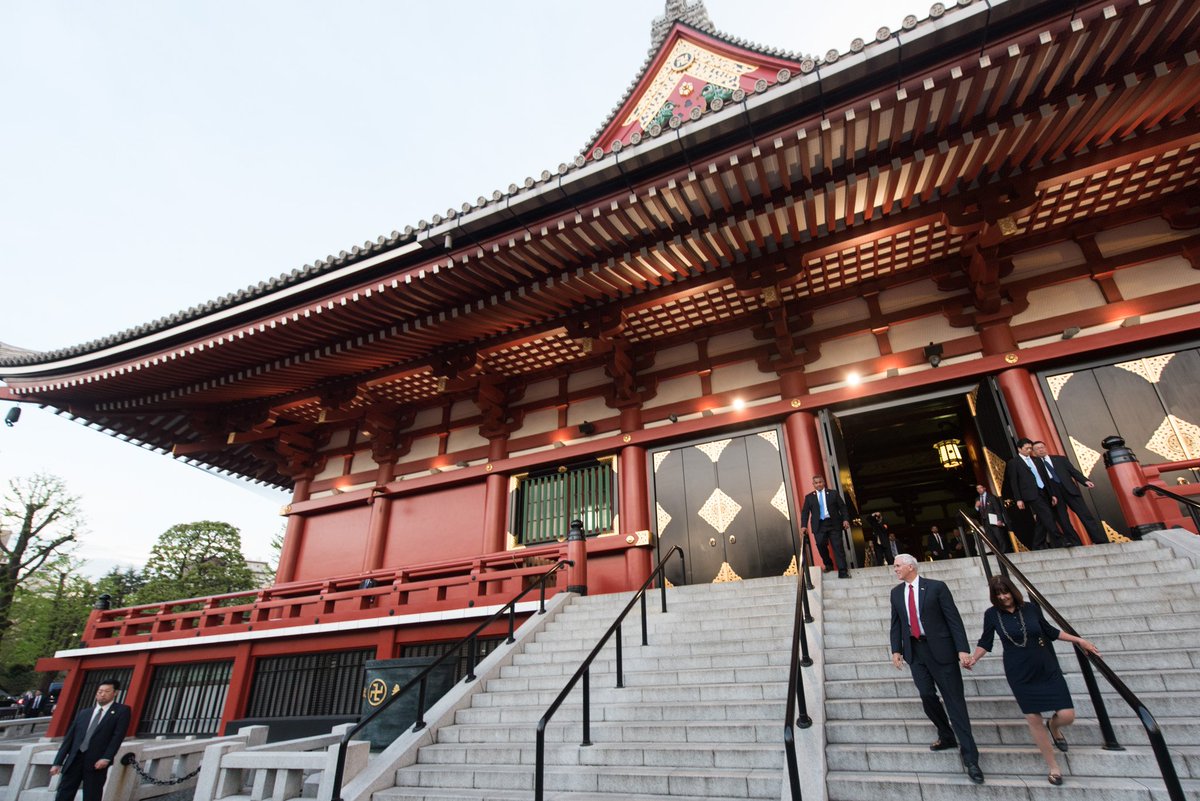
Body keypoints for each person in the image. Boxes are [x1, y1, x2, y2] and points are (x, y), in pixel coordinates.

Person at [966, 576, 1100, 786]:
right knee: (1033, 718)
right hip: (1019, 671)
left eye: (1005, 592)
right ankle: (1053, 767)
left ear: (1013, 591)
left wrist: (1079, 640)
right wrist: (974, 658)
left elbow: (1050, 631)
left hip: (1046, 666)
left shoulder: (1030, 608)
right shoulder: (991, 614)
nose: (1003, 597)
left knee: (1067, 715)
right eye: (998, 594)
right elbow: (986, 641)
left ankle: (1054, 726)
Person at [889, 554, 984, 784]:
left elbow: (953, 619)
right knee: (926, 695)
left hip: (941, 651)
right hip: (915, 652)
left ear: (910, 566)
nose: (895, 569)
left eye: (898, 566)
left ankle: (971, 758)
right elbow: (896, 623)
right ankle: (946, 734)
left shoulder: (936, 588)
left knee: (954, 702)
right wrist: (896, 650)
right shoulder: (896, 593)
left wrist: (962, 650)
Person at [50, 679, 131, 801]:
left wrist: (106, 757)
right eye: (100, 691)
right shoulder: (84, 713)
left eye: (107, 691)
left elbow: (117, 737)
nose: (102, 694)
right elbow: (69, 739)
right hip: (75, 759)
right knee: (64, 793)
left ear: (115, 693)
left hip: (96, 760)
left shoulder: (122, 711)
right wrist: (57, 762)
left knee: (92, 794)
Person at [1032, 441, 1108, 545]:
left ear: (1045, 448)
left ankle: (1098, 539)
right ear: (1034, 452)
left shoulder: (1060, 459)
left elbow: (1073, 471)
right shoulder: (1035, 465)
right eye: (1037, 449)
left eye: (1042, 447)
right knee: (1063, 520)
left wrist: (1085, 481)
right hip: (1054, 493)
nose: (1040, 450)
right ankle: (1075, 542)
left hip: (1069, 489)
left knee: (1085, 515)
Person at [1003, 438, 1061, 550]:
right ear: (1019, 449)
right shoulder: (1013, 463)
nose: (1029, 450)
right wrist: (1018, 499)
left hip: (1043, 491)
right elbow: (1014, 482)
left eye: (1030, 448)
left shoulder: (1037, 460)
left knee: (1041, 519)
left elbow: (1045, 477)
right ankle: (1059, 538)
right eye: (1026, 448)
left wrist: (1052, 494)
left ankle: (1037, 544)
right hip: (1031, 494)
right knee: (1047, 514)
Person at [801, 475, 851, 578]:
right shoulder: (809, 497)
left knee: (838, 547)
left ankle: (843, 571)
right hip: (819, 525)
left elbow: (842, 507)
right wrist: (803, 526)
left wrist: (845, 519)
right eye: (816, 483)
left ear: (824, 483)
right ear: (813, 484)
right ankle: (828, 564)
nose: (818, 484)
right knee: (820, 545)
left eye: (820, 482)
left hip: (834, 523)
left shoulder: (833, 493)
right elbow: (805, 512)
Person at [974, 484, 1012, 553]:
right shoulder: (977, 499)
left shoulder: (991, 497)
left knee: (999, 537)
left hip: (994, 520)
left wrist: (999, 519)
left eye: (980, 488)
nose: (979, 489)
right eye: (977, 488)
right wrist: (976, 506)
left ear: (984, 488)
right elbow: (977, 511)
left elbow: (997, 509)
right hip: (985, 522)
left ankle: (1004, 552)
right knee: (991, 539)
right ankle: (997, 553)